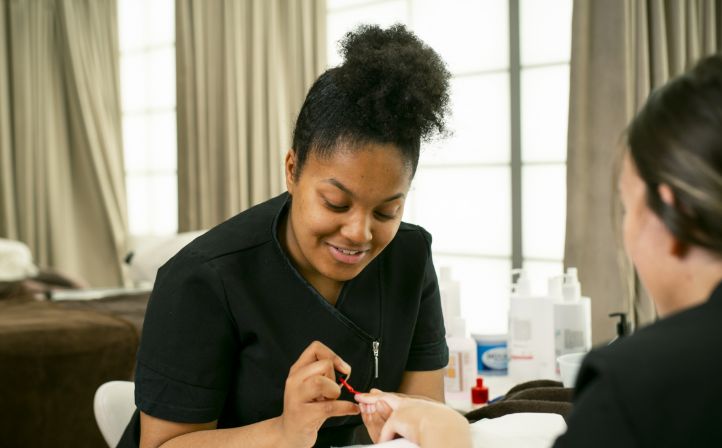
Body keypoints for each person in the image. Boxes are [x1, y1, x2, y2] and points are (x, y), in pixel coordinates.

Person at [357, 54, 722, 448]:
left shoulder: (641, 383)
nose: (358, 232)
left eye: (628, 207)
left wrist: (445, 432)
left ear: (676, 212)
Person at [118, 24, 451, 448]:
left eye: (387, 210)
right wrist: (285, 432)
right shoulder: (202, 279)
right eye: (335, 202)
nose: (358, 232)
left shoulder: (410, 257)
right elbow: (162, 445)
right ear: (292, 170)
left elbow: (426, 418)